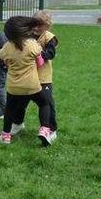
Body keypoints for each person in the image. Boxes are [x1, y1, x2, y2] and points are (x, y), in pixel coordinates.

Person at [0, 16, 54, 146]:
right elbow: (40, 63)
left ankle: (5, 136)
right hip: (32, 85)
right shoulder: (32, 44)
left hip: (14, 87)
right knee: (44, 104)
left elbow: (1, 56)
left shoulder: (7, 47)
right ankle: (45, 129)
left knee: (9, 110)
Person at [34, 10, 58, 138]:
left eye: (40, 25)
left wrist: (39, 54)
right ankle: (17, 123)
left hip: (44, 77)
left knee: (47, 102)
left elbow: (51, 54)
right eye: (34, 24)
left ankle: (51, 129)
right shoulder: (29, 35)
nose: (36, 28)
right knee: (19, 100)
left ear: (47, 26)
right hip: (29, 76)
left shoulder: (49, 38)